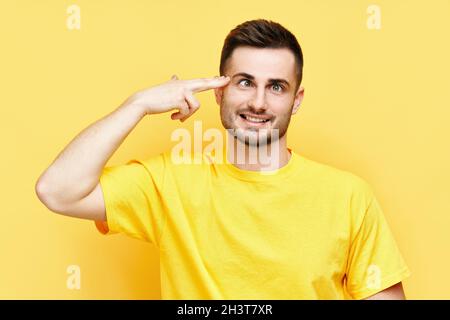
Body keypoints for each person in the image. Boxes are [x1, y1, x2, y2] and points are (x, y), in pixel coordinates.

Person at [35, 19, 411, 299]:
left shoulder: (348, 196)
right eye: (244, 82)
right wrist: (139, 105)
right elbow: (57, 191)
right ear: (218, 91)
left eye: (276, 87)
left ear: (296, 100)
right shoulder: (170, 181)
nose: (258, 102)